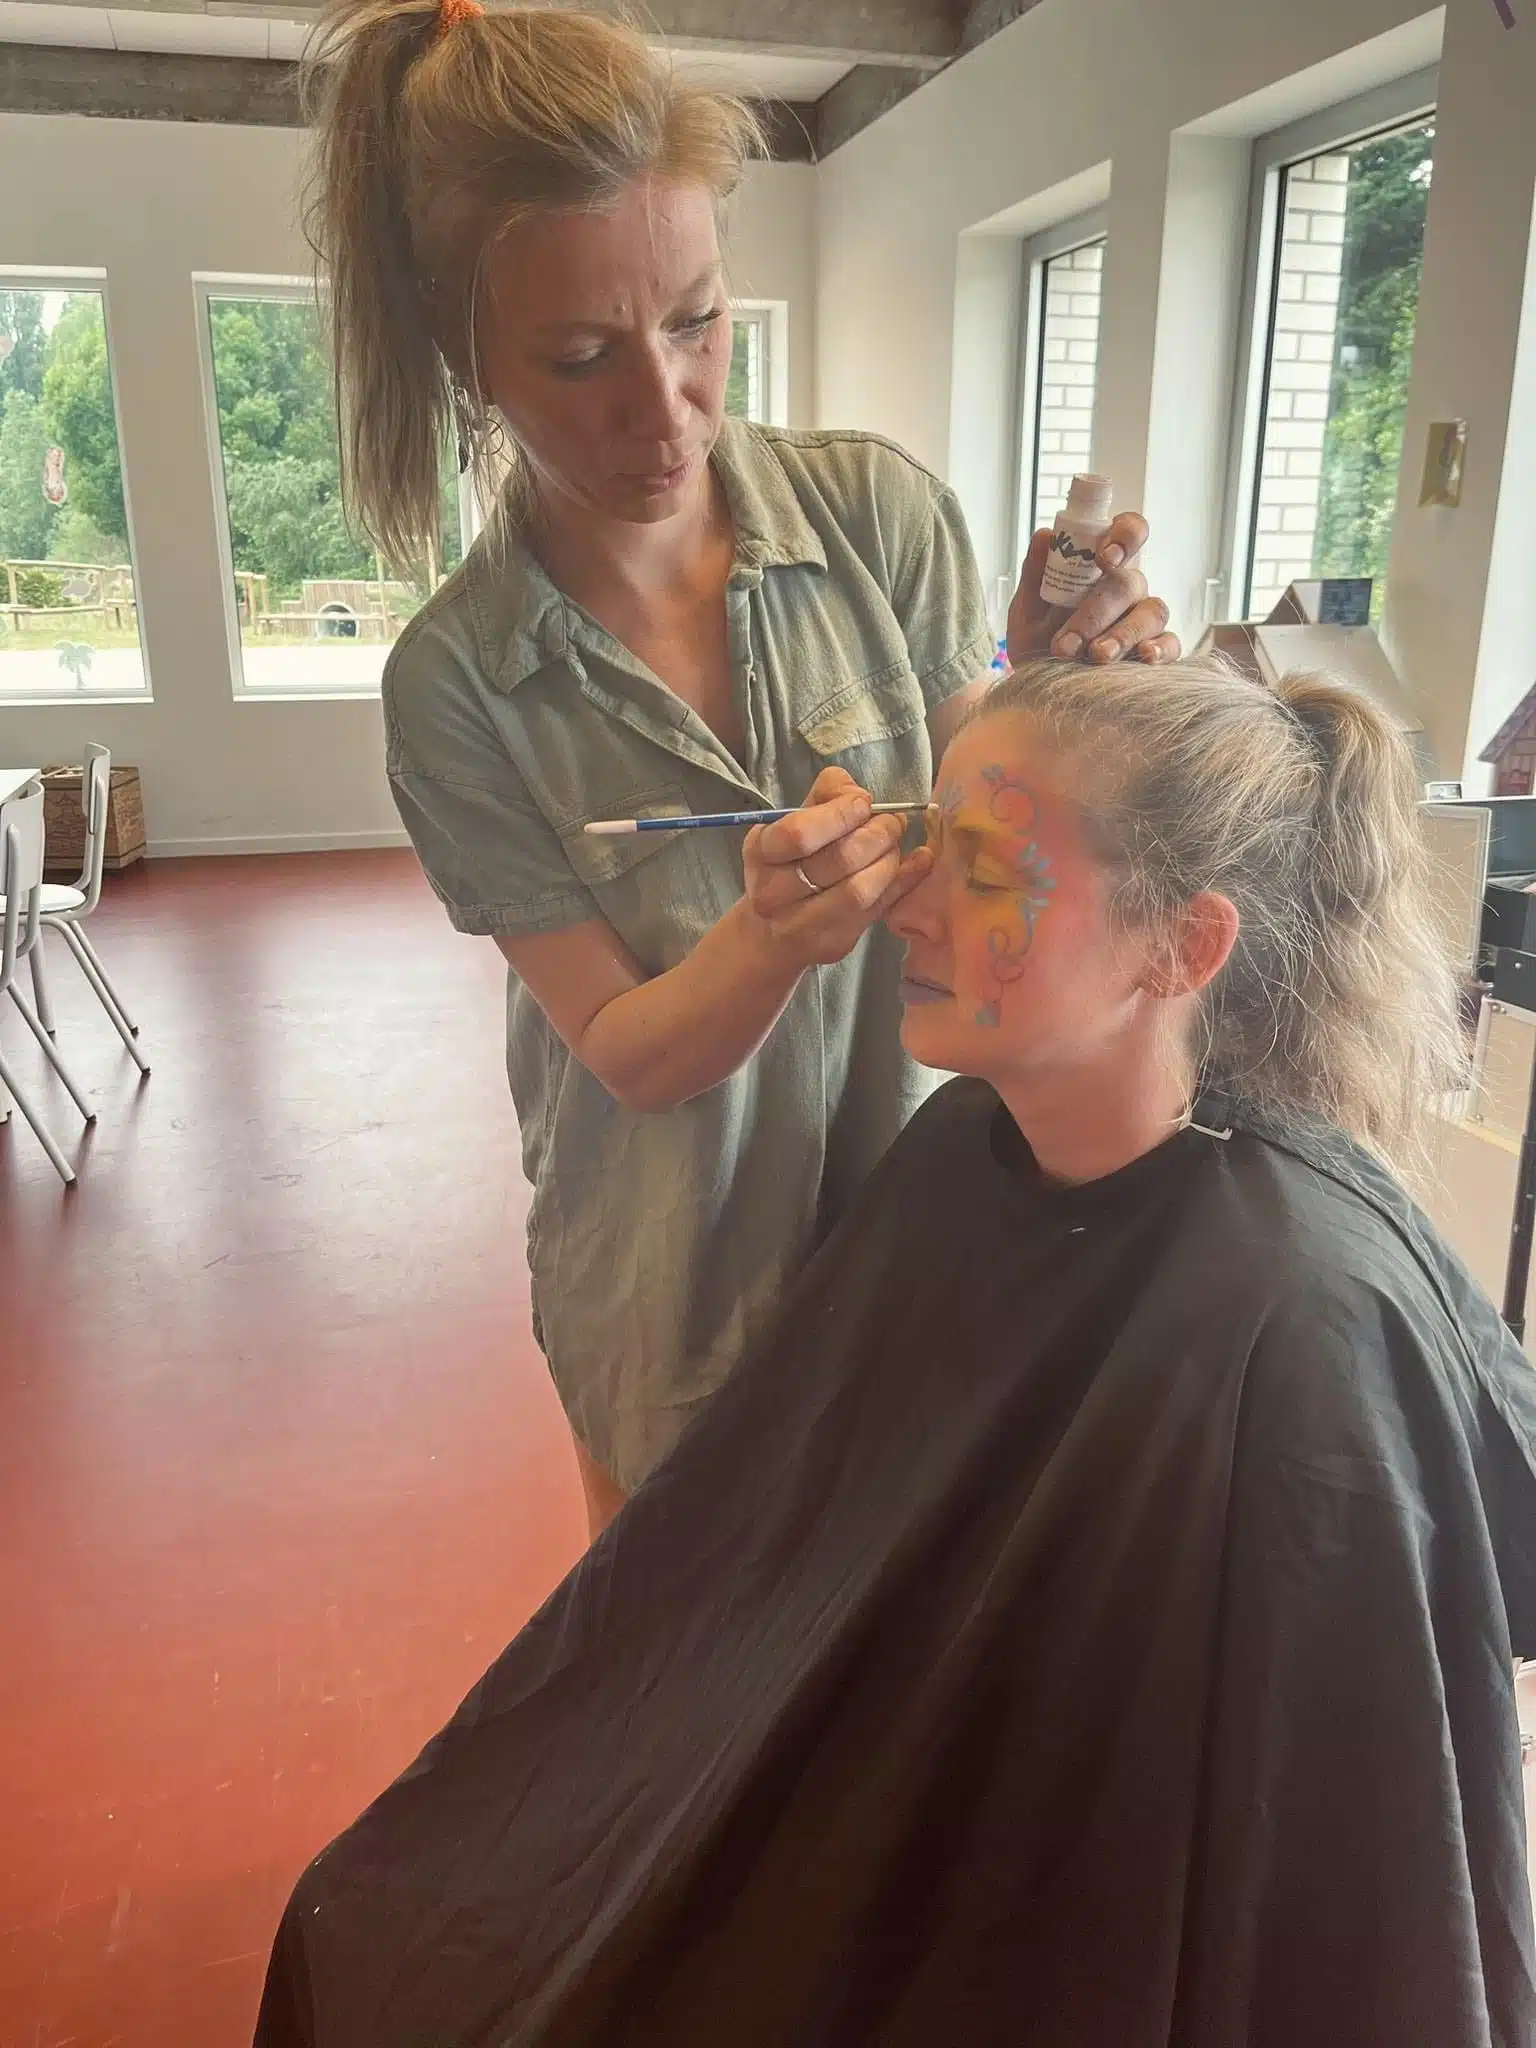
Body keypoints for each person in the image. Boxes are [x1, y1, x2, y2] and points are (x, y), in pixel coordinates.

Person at [256, 656, 1536, 2046]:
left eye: (979, 872)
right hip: (914, 1840)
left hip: (1066, 1932)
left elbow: (1312, 1885)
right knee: (374, 1923)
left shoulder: (1297, 1316)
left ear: (1184, 946)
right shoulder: (963, 1154)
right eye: (926, 845)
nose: (904, 909)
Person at [304, 0, 1180, 1533]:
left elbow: (989, 846)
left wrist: (1053, 694)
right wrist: (768, 939)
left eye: (699, 324)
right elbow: (625, 1051)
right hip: (671, 1300)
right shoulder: (460, 686)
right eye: (582, 357)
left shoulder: (881, 520)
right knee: (680, 1667)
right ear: (467, 359)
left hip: (925, 1238)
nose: (666, 411)